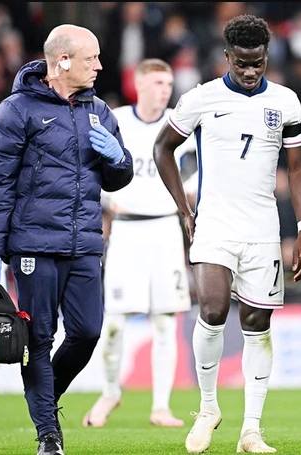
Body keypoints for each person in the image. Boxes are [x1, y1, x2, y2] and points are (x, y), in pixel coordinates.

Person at [153, 14, 301, 454]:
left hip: (262, 229)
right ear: (227, 56)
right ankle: (208, 408)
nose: (249, 71)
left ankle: (251, 431)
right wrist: (184, 209)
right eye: (241, 62)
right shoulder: (201, 98)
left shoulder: (286, 102)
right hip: (215, 224)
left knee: (257, 323)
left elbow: (298, 168)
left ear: (267, 57)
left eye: (257, 63)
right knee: (213, 308)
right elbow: (162, 148)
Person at [0, 24, 134, 455]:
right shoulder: (16, 110)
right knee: (39, 339)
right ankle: (48, 434)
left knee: (87, 332)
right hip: (33, 245)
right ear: (62, 61)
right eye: (91, 58)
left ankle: (43, 398)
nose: (99, 65)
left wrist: (119, 159)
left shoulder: (99, 110)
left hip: (85, 242)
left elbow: (118, 178)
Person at [82, 58, 191, 429]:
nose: (165, 90)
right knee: (114, 322)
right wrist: (107, 200)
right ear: (139, 84)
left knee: (165, 321)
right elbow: (90, 168)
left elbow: (198, 168)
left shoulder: (179, 122)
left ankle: (161, 406)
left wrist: (188, 196)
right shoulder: (116, 120)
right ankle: (110, 391)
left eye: (169, 84)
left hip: (165, 229)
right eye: (158, 83)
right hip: (127, 230)